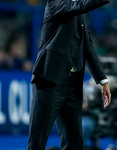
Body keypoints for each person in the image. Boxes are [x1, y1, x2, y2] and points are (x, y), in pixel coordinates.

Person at [27, 0, 111, 150]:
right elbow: (79, 6)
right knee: (37, 142)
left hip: (73, 86)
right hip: (49, 81)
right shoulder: (55, 3)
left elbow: (88, 46)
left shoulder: (82, 12)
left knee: (75, 143)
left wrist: (102, 80)